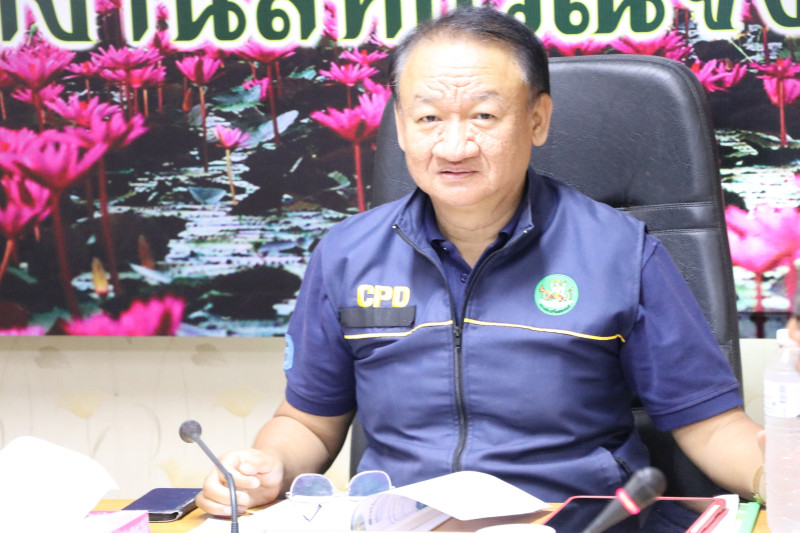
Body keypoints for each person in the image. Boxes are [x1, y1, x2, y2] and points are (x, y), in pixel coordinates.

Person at [197, 6, 766, 516]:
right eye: (428, 118)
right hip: (405, 519)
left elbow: (711, 425)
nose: (454, 147)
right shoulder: (347, 254)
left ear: (538, 119)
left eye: (484, 117)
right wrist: (266, 467)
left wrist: (773, 475)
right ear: (401, 125)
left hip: (573, 519)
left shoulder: (621, 251)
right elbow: (307, 423)